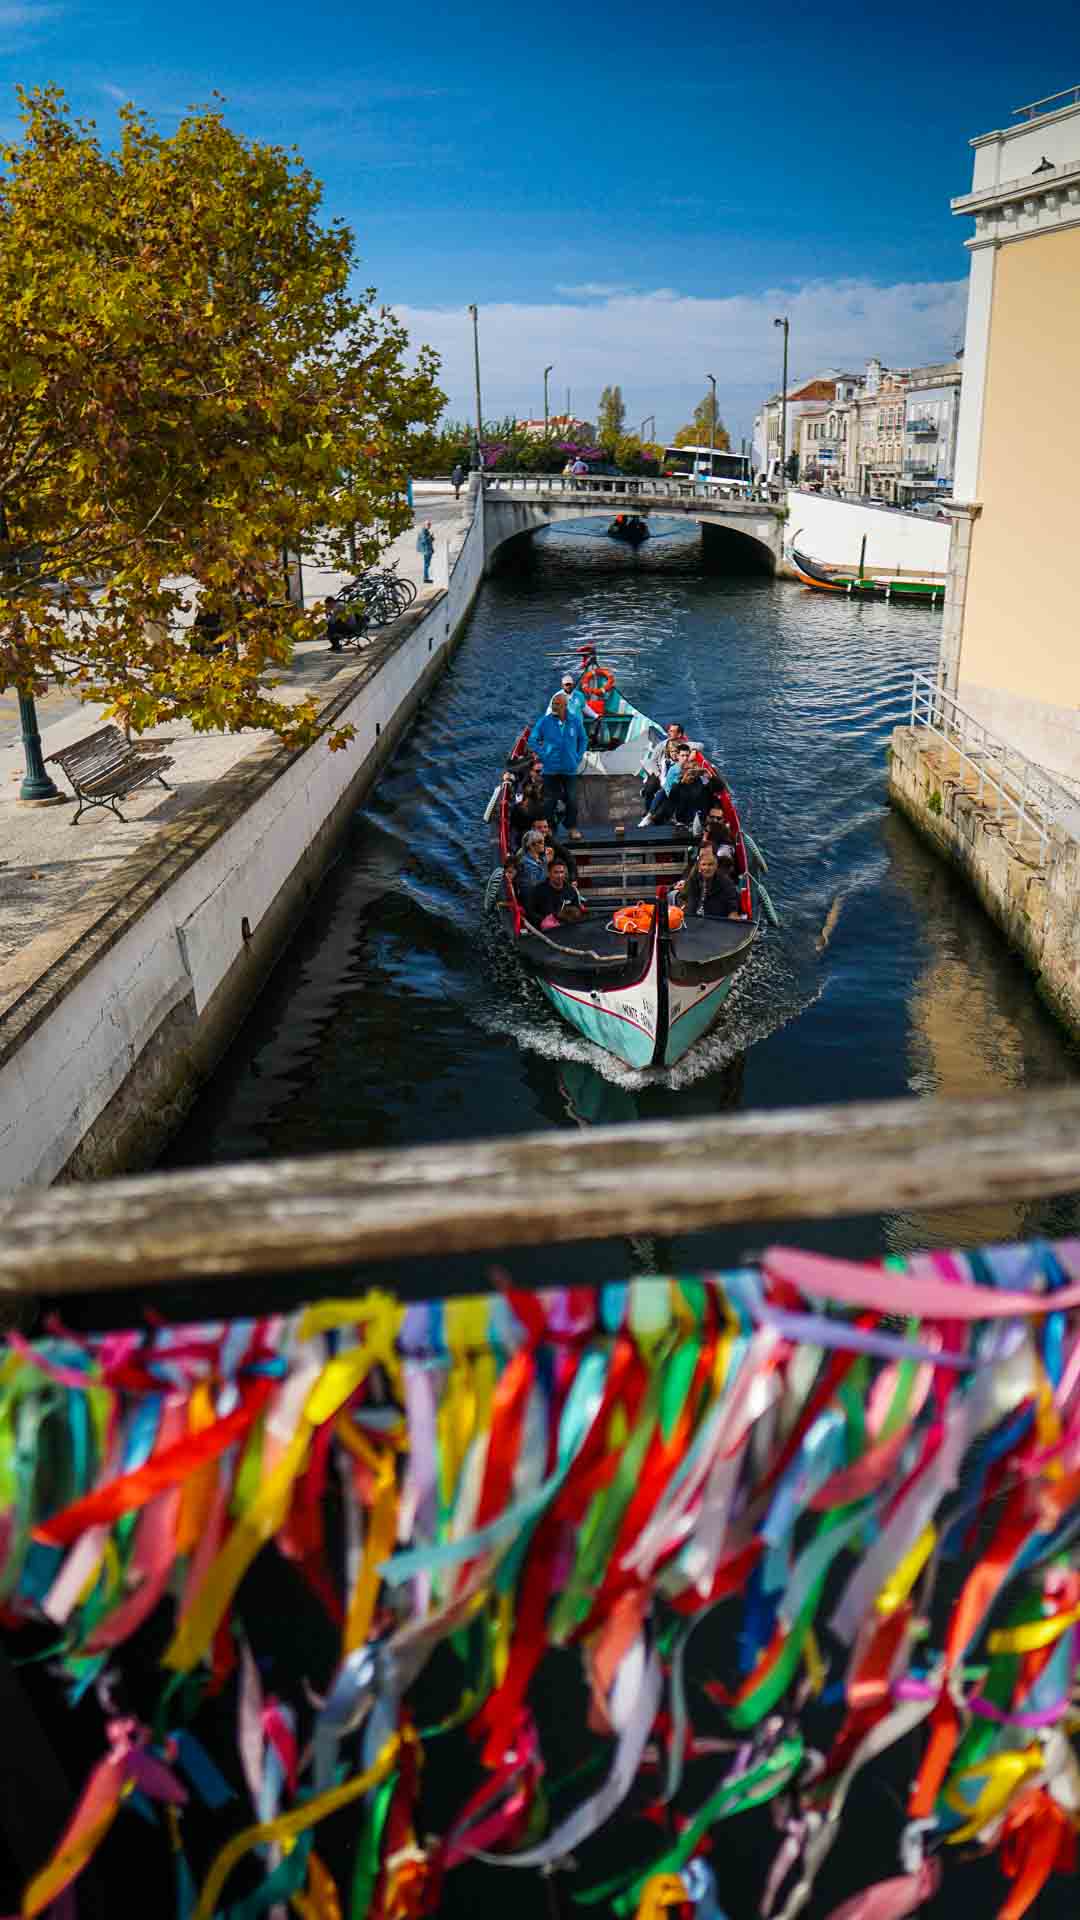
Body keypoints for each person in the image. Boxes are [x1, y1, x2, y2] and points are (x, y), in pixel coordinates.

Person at [529, 692, 587, 837]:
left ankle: (571, 827)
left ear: (565, 706)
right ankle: (549, 828)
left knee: (572, 799)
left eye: (557, 705)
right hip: (551, 769)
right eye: (553, 705)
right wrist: (544, 755)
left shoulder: (575, 721)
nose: (554, 708)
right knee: (549, 801)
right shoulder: (545, 721)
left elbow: (583, 740)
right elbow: (532, 740)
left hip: (570, 768)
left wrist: (578, 757)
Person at [677, 843, 746, 921]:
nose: (707, 868)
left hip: (717, 921)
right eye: (704, 864)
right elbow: (687, 899)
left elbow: (732, 904)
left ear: (716, 866)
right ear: (699, 867)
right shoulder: (693, 879)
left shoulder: (726, 882)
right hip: (695, 920)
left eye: (710, 864)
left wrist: (733, 914)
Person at [639, 742, 694, 825]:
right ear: (678, 756)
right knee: (658, 816)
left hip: (684, 796)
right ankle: (650, 814)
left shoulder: (691, 767)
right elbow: (668, 785)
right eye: (683, 755)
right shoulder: (672, 768)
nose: (685, 758)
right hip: (672, 794)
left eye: (687, 755)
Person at [531, 858, 585, 930]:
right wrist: (544, 921)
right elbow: (532, 913)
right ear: (549, 873)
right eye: (556, 872)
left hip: (568, 930)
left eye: (561, 872)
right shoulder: (538, 891)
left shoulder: (571, 891)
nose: (559, 876)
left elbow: (578, 913)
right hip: (546, 932)